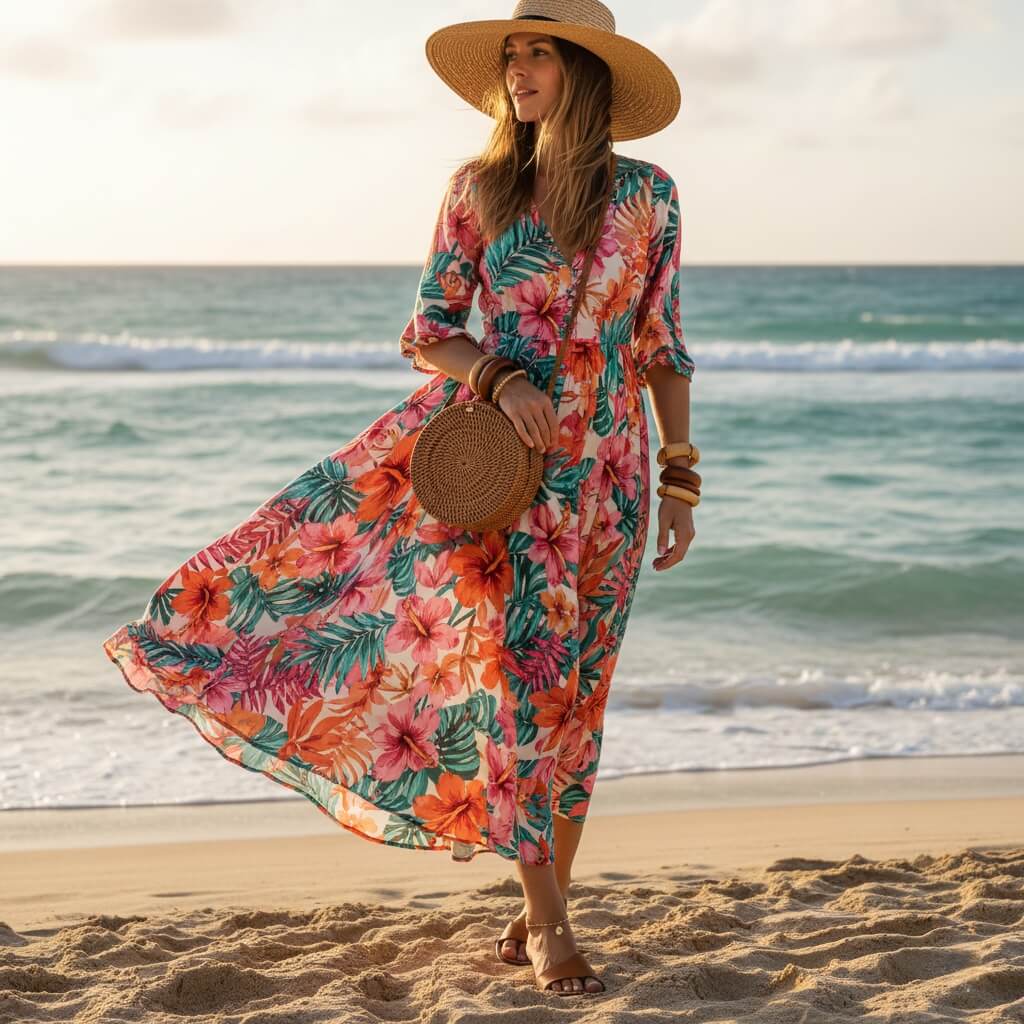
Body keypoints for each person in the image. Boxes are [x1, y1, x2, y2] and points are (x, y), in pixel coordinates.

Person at [102, 0, 699, 1000]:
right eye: (511, 53)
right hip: (503, 477)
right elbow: (429, 328)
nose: (518, 68)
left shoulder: (650, 197)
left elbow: (661, 344)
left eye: (538, 52)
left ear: (585, 73)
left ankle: (537, 900)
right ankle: (552, 920)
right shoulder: (479, 189)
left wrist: (680, 471)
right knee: (517, 683)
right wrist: (500, 380)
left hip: (611, 476)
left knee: (576, 698)